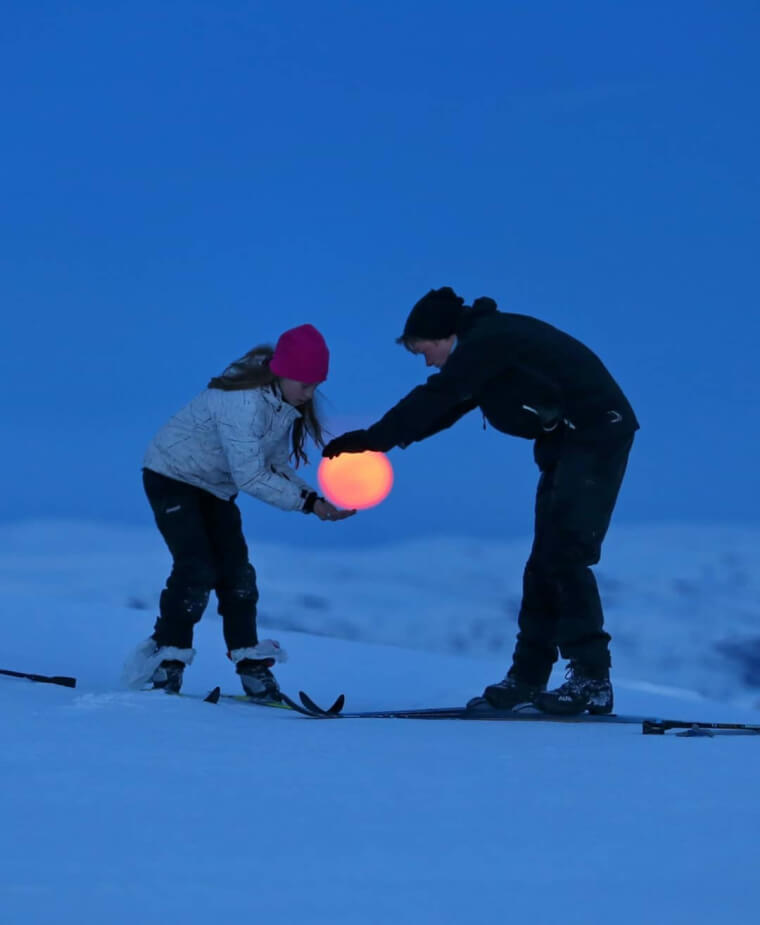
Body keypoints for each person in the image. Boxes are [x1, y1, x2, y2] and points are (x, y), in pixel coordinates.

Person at [322, 288, 638, 715]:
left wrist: (374, 438)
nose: (428, 362)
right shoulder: (483, 350)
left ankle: (591, 680)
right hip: (569, 442)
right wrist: (377, 442)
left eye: (425, 351)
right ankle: (527, 678)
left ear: (445, 334)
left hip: (597, 435)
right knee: (545, 560)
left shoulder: (489, 342)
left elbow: (440, 395)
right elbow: (447, 407)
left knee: (565, 555)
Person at [122, 324, 356, 699]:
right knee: (196, 568)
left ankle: (250, 665)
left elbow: (274, 464)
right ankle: (168, 661)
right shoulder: (244, 403)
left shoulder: (282, 404)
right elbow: (250, 476)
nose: (310, 394)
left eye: (316, 385)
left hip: (215, 487)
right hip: (171, 476)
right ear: (282, 372)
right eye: (305, 384)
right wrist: (308, 503)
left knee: (238, 575)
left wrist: (315, 500)